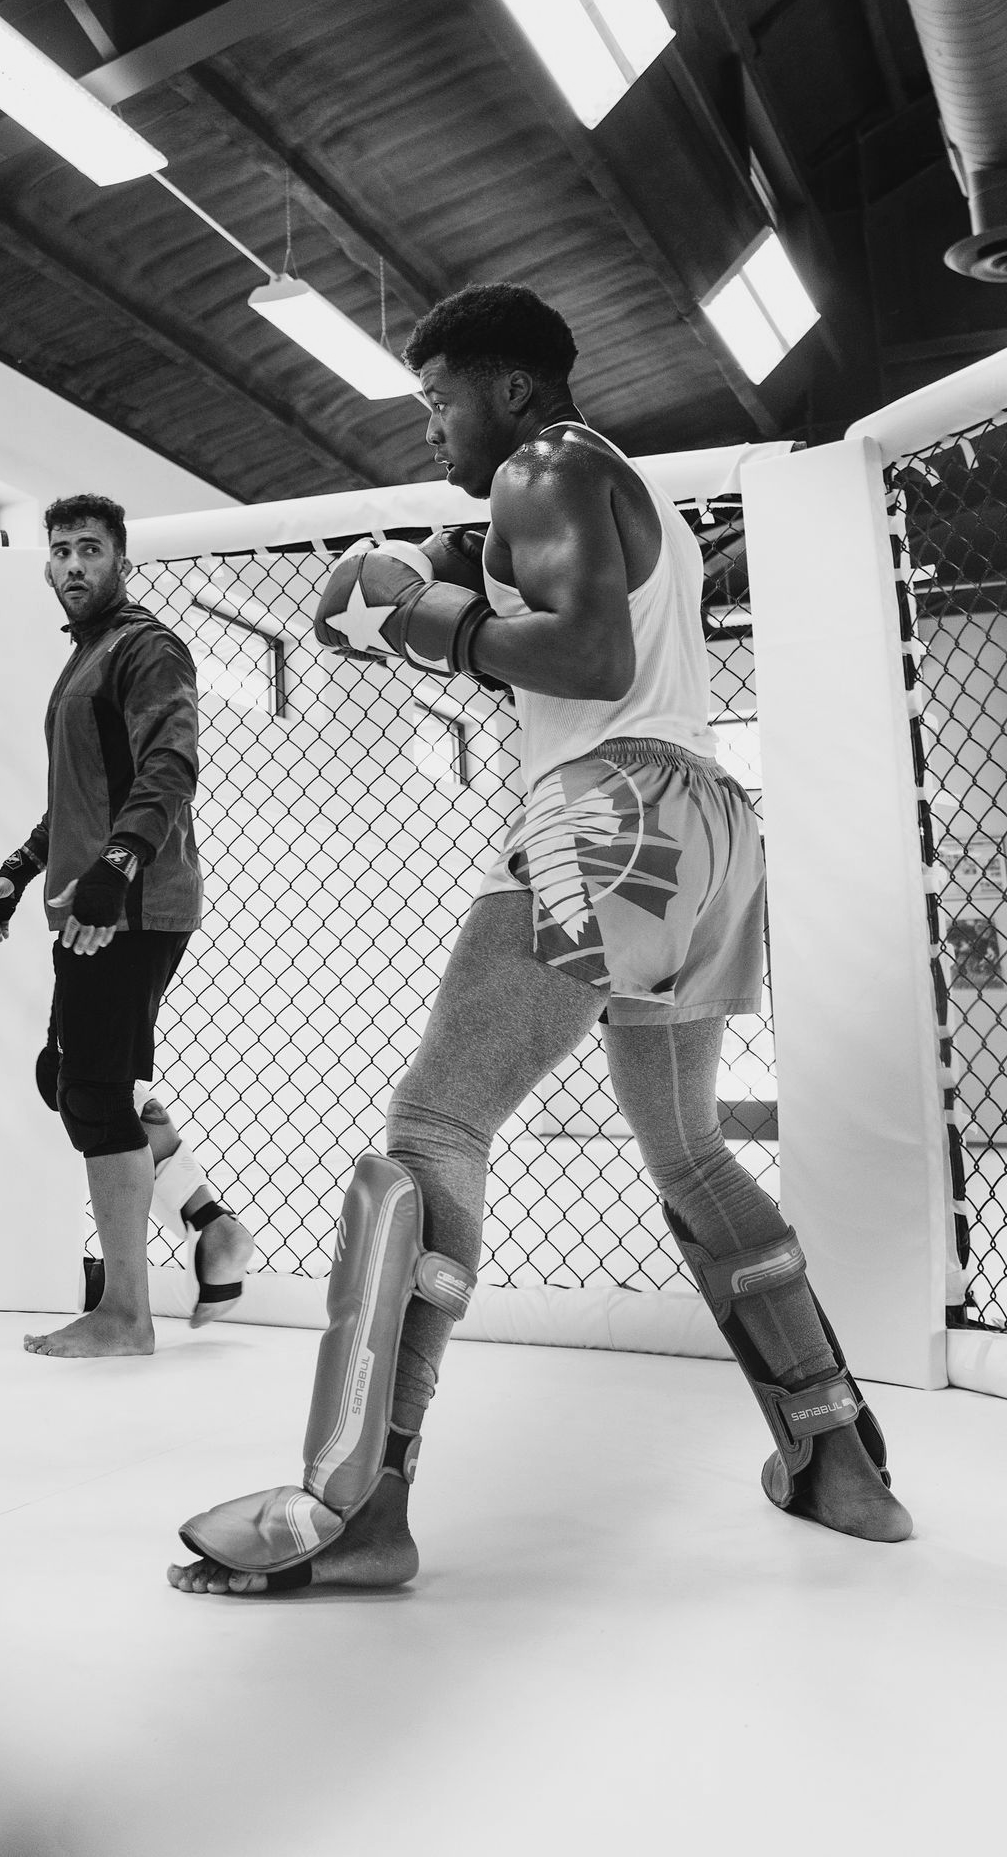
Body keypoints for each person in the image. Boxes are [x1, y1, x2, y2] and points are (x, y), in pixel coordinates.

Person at [171, 284, 911, 1596]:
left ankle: (361, 1498)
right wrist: (432, 594)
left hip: (610, 806)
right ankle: (836, 1454)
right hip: (707, 822)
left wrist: (417, 617)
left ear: (512, 391)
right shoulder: (631, 499)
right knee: (687, 1148)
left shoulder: (545, 461)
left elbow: (577, 649)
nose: (431, 427)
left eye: (440, 397)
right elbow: (552, 625)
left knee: (436, 1121)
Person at [0, 493, 255, 1358]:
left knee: (93, 1090)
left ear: (121, 561)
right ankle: (210, 1224)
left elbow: (170, 767)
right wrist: (19, 872)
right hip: (94, 897)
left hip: (126, 906)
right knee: (75, 1075)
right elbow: (79, 799)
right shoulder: (88, 658)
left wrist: (116, 870)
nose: (72, 566)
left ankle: (127, 1314)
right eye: (60, 550)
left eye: (90, 549)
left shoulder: (146, 647)